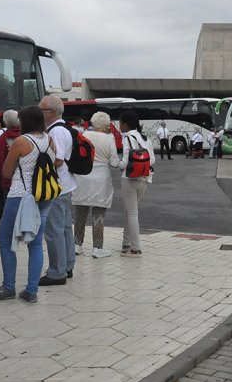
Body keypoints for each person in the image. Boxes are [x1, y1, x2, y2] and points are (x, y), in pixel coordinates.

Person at [0, 106, 56, 304]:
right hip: (43, 196)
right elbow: (57, 164)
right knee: (36, 242)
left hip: (20, 196)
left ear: (24, 122)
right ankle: (31, 290)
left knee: (4, 239)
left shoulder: (21, 141)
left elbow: (6, 171)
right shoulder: (49, 140)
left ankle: (8, 287)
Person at [72, 112, 120, 258]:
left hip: (82, 177)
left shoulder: (84, 135)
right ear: (106, 126)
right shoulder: (109, 139)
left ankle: (77, 245)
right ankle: (97, 248)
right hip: (101, 179)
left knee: (80, 213)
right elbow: (114, 163)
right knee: (98, 214)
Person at [39, 95, 76, 285]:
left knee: (54, 231)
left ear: (51, 112)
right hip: (65, 185)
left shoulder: (56, 132)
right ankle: (67, 265)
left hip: (56, 187)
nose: (39, 114)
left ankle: (57, 272)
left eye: (42, 110)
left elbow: (58, 159)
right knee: (64, 228)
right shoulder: (64, 129)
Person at [119, 110, 156, 257]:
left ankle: (135, 248)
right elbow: (152, 159)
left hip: (129, 179)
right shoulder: (145, 138)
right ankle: (126, 244)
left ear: (126, 124)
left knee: (132, 213)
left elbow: (125, 161)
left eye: (121, 123)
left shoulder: (127, 137)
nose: (120, 125)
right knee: (130, 211)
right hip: (145, 179)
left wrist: (117, 164)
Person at [0, 110, 21, 205]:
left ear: (5, 122)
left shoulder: (3, 138)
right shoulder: (25, 135)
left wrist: (3, 176)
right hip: (26, 181)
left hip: (8, 182)